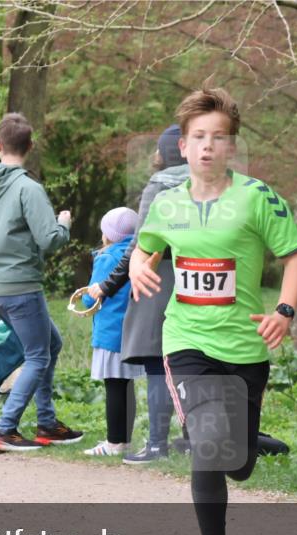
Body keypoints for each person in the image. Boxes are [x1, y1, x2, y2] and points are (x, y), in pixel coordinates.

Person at [129, 87, 297, 535]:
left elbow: (295, 256)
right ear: (183, 146)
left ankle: (247, 444)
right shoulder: (166, 205)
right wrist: (140, 267)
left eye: (218, 137)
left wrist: (284, 311)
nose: (208, 146)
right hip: (186, 341)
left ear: (231, 147)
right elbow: (144, 249)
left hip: (246, 347)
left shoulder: (257, 198)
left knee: (240, 464)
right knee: (208, 445)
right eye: (199, 137)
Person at [0, 112, 84, 453]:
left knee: (51, 344)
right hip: (20, 286)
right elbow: (50, 239)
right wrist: (64, 223)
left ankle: (47, 422)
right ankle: (5, 428)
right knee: (38, 357)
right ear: (30, 146)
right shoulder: (28, 189)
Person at [88, 125, 190, 463]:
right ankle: (194, 439)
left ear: (168, 152)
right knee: (192, 361)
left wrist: (107, 286)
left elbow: (139, 245)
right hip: (197, 277)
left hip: (158, 279)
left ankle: (157, 444)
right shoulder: (208, 184)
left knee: (158, 361)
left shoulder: (160, 185)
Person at [80, 207, 144, 456]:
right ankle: (124, 440)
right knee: (126, 386)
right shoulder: (139, 254)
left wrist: (84, 298)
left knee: (114, 387)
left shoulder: (107, 257)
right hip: (133, 331)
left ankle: (115, 443)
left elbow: (91, 298)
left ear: (108, 234)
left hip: (110, 333)